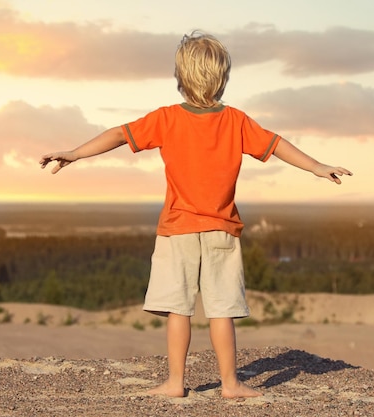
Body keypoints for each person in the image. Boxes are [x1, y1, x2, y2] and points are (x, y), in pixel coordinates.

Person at [39, 31, 352, 399]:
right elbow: (276, 144)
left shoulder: (167, 119)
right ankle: (231, 384)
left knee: (178, 311)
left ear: (180, 77)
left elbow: (119, 135)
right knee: (222, 312)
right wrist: (316, 166)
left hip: (177, 229)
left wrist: (75, 154)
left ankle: (175, 383)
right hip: (222, 230)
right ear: (223, 77)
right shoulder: (236, 121)